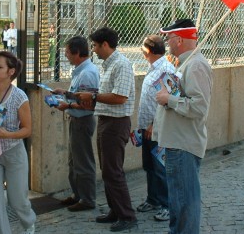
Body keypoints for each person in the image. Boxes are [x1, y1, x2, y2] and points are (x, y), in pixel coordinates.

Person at [153, 19, 213, 234]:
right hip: (177, 142)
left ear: (178, 39)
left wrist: (169, 99)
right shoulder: (185, 63)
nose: (167, 42)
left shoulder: (196, 65)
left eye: (169, 38)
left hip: (184, 144)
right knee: (179, 202)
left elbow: (199, 108)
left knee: (184, 203)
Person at [75, 27, 137, 232]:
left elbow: (120, 97)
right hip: (105, 120)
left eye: (94, 45)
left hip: (116, 123)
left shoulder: (121, 65)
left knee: (114, 172)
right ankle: (115, 210)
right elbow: (106, 94)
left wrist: (92, 97)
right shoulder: (107, 65)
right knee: (108, 171)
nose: (93, 50)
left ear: (105, 45)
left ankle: (127, 216)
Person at [0, 51, 36, 234]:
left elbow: (27, 129)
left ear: (10, 72)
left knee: (17, 200)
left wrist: (7, 135)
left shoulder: (19, 97)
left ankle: (29, 222)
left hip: (13, 152)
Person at [52, 36, 99, 212]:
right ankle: (78, 195)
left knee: (83, 162)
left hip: (82, 120)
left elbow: (89, 103)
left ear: (77, 53)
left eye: (67, 53)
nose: (66, 57)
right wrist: (65, 93)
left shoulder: (87, 73)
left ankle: (87, 199)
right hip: (77, 120)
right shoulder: (81, 71)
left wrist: (67, 105)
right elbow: (81, 95)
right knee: (74, 162)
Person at [136, 35, 175, 222]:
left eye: (143, 49)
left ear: (149, 50)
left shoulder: (166, 69)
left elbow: (167, 102)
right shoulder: (153, 68)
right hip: (147, 128)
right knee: (149, 166)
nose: (142, 52)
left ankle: (167, 205)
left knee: (160, 168)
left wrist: (153, 123)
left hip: (158, 130)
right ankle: (153, 199)